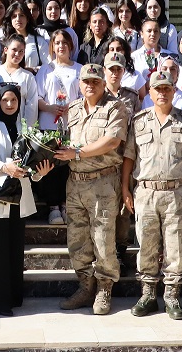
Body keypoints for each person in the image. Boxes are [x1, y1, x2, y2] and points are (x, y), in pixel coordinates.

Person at [122, 70, 182, 320]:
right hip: (146, 193)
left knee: (175, 247)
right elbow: (129, 157)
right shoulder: (138, 121)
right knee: (146, 246)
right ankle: (148, 295)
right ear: (149, 93)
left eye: (166, 88)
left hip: (177, 194)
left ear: (174, 91)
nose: (162, 93)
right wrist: (125, 189)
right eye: (157, 89)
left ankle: (171, 296)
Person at [53, 63, 128, 315]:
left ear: (103, 83)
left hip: (103, 181)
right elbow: (63, 140)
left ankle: (104, 289)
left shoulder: (115, 107)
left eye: (95, 81)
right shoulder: (73, 108)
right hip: (75, 182)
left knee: (103, 238)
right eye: (86, 81)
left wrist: (77, 153)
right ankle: (85, 286)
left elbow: (112, 141)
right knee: (77, 238)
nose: (90, 85)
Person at [0, 83, 54, 316]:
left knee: (15, 250)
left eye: (14, 101)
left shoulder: (25, 127)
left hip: (18, 198)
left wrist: (41, 172)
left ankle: (14, 296)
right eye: (5, 100)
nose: (9, 104)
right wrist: (4, 167)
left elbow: (31, 164)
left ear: (19, 103)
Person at [34, 29, 82, 225]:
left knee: (68, 166)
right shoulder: (46, 70)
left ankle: (65, 204)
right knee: (51, 166)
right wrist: (50, 107)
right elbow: (37, 97)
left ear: (70, 46)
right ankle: (53, 207)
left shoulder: (79, 69)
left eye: (64, 42)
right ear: (52, 46)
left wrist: (72, 107)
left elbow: (85, 96)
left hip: (72, 124)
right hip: (48, 123)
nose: (61, 46)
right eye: (57, 43)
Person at [103, 52, 141, 275]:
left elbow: (136, 127)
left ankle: (120, 251)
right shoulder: (98, 93)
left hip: (125, 157)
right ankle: (105, 254)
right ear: (105, 70)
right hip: (103, 159)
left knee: (124, 210)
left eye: (119, 69)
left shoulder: (131, 96)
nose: (115, 73)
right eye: (111, 69)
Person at [0, 34, 40, 127]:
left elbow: (31, 106)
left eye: (21, 51)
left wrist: (27, 130)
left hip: (19, 128)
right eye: (14, 50)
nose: (17, 54)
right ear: (5, 50)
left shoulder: (28, 76)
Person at [1, 1, 48, 73]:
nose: (18, 19)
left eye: (21, 15)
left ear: (27, 18)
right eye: (14, 16)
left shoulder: (39, 41)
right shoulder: (3, 41)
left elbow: (48, 65)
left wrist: (33, 69)